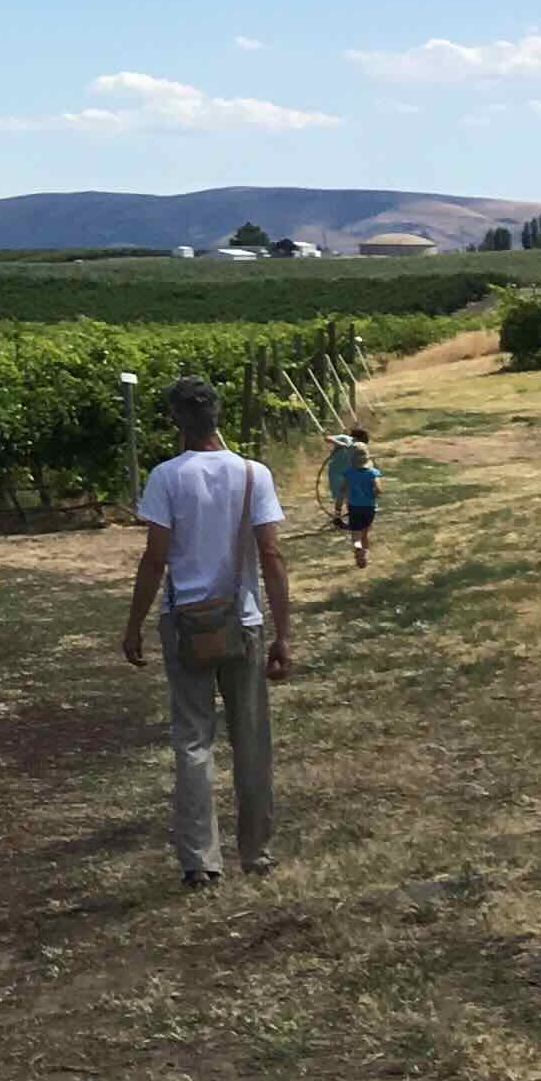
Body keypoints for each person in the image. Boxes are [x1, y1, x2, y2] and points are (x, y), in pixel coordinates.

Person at [119, 375, 293, 888]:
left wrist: (133, 624)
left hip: (187, 624)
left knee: (193, 742)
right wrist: (283, 633)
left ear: (177, 420)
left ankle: (200, 861)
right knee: (252, 741)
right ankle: (257, 852)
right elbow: (272, 555)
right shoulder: (252, 474)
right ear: (218, 414)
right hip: (242, 622)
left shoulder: (166, 477)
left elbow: (155, 558)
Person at [322, 424, 381, 569]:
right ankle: (364, 553)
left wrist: (337, 511)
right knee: (365, 532)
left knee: (356, 535)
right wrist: (372, 496)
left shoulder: (349, 473)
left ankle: (358, 548)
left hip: (353, 504)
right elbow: (379, 489)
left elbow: (341, 495)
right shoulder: (370, 471)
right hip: (369, 507)